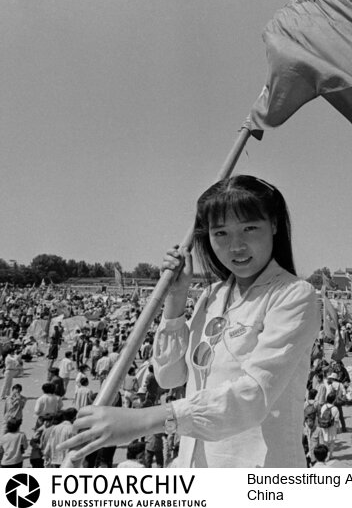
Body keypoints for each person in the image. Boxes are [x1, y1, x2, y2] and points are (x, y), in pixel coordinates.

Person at [58, 176, 320, 468]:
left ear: (273, 225)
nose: (236, 246)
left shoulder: (294, 295)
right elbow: (170, 377)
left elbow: (253, 396)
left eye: (249, 228)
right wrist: (176, 299)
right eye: (220, 233)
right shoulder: (213, 295)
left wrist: (144, 420)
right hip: (196, 464)